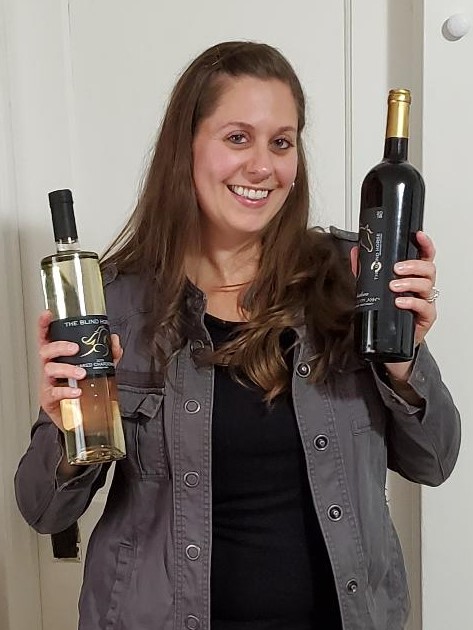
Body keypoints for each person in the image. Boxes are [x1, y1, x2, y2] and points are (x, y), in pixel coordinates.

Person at [15, 41, 460, 630]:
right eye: (237, 138)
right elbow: (44, 511)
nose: (262, 167)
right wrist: (66, 422)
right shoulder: (115, 303)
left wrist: (405, 358)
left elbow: (435, 461)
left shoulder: (352, 280)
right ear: (186, 148)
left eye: (281, 142)